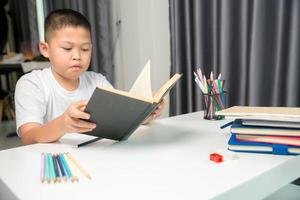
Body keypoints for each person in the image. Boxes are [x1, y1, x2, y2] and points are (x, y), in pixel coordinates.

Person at [15, 9, 165, 145]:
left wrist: (146, 114)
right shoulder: (32, 84)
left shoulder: (97, 81)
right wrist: (62, 124)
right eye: (67, 48)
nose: (77, 56)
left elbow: (119, 122)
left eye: (85, 49)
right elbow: (28, 137)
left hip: (95, 155)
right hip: (54, 162)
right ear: (45, 49)